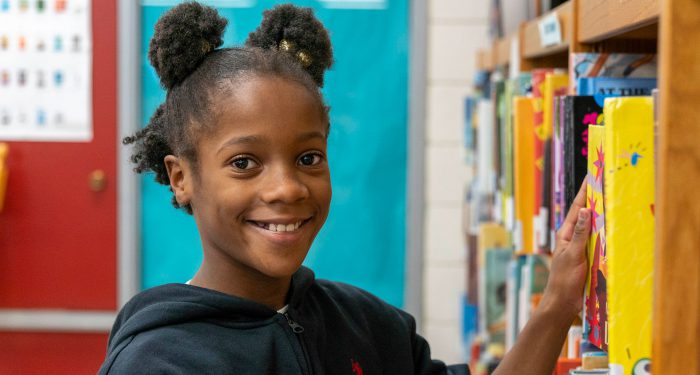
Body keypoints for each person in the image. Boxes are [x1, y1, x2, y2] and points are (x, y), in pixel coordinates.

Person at [98, 3, 592, 374]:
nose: (287, 188)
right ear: (182, 177)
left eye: (308, 158)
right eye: (244, 162)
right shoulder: (161, 361)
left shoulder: (368, 324)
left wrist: (557, 306)